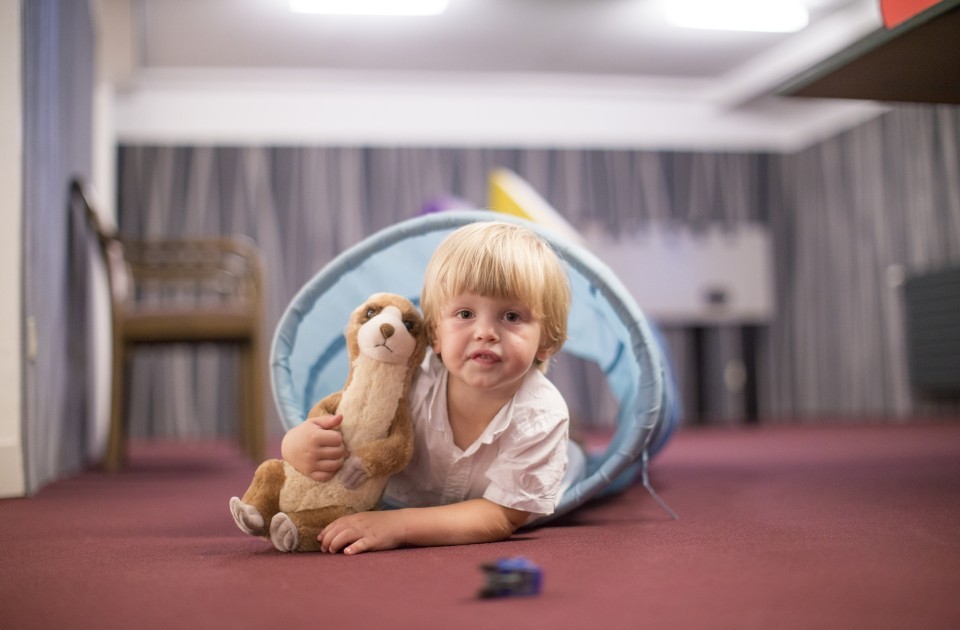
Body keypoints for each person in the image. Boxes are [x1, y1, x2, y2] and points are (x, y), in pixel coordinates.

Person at [281, 220, 574, 555]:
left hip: (542, 474)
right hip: (412, 492)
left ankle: (577, 445)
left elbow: (501, 516)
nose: (485, 332)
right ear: (434, 334)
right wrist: (296, 444)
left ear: (546, 341)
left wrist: (398, 525)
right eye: (465, 313)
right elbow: (351, 422)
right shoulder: (411, 382)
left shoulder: (542, 416)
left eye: (510, 317)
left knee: (574, 459)